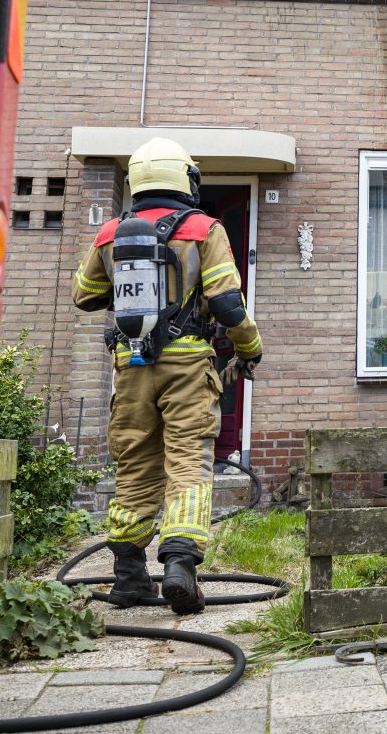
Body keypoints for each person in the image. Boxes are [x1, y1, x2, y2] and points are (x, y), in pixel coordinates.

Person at [72, 137, 262, 614]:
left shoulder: (111, 233)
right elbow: (226, 303)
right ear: (185, 179)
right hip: (186, 365)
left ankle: (128, 579)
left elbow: (86, 295)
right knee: (188, 463)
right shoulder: (204, 228)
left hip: (130, 366)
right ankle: (180, 566)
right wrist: (249, 346)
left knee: (135, 465)